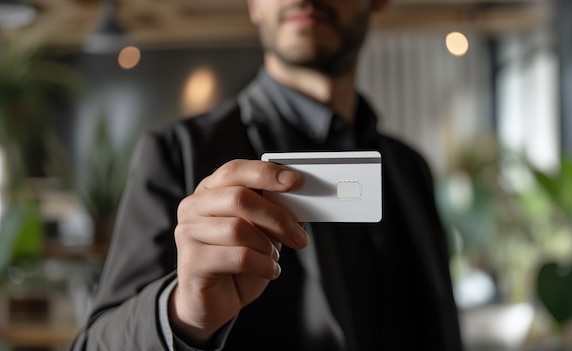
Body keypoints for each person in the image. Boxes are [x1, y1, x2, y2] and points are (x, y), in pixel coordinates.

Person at [71, 0, 463, 350]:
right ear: (253, 4)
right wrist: (182, 312)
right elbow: (94, 343)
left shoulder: (410, 167)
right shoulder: (176, 154)